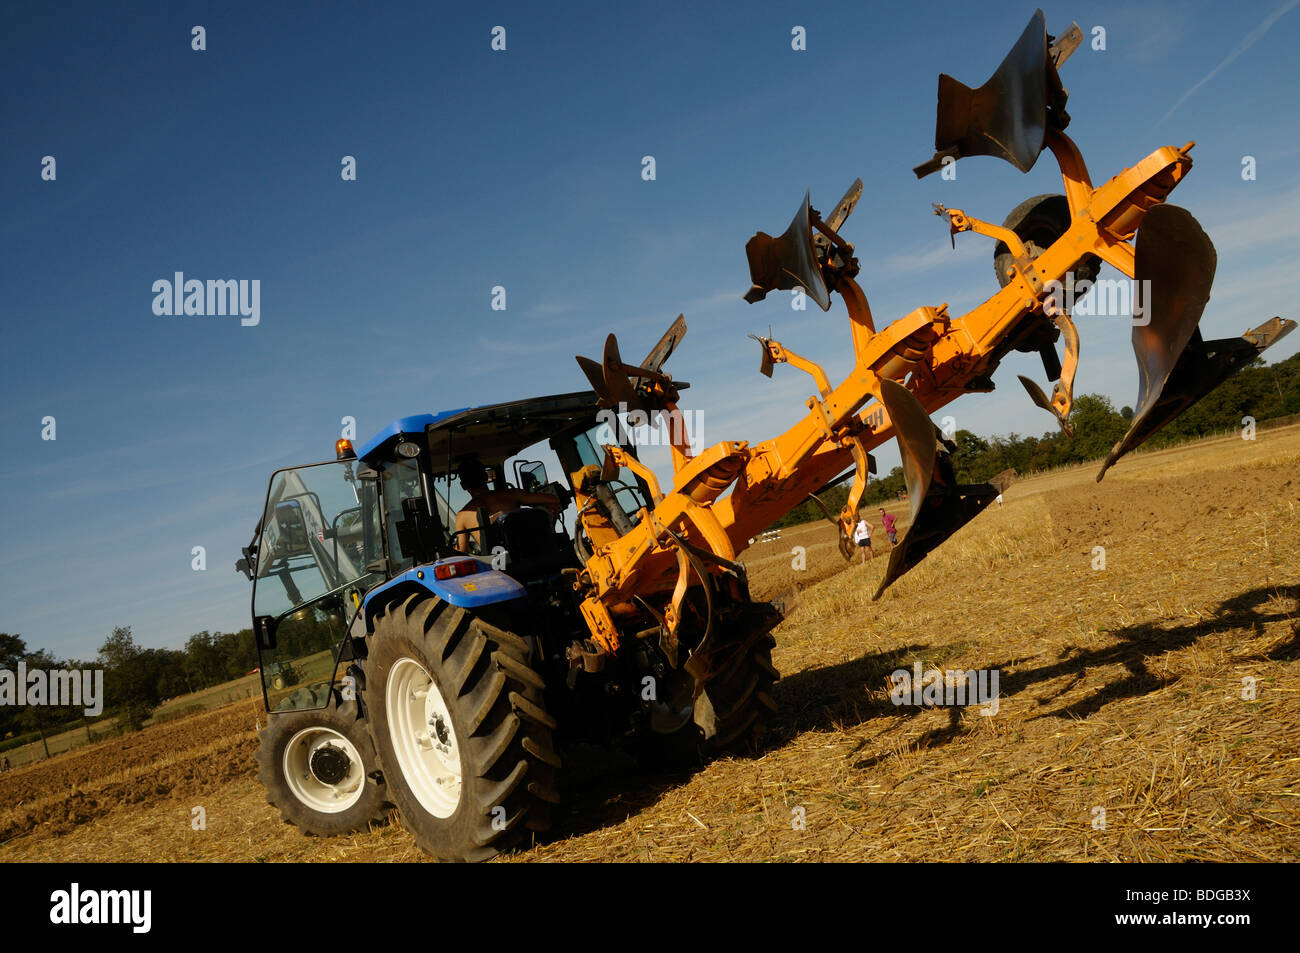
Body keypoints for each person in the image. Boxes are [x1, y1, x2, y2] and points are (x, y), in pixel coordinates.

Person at [454, 457, 562, 553]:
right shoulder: (512, 494)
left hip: (502, 565)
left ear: (463, 486)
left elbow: (460, 552)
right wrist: (549, 530)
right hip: (541, 552)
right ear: (486, 477)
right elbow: (552, 500)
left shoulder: (462, 515)